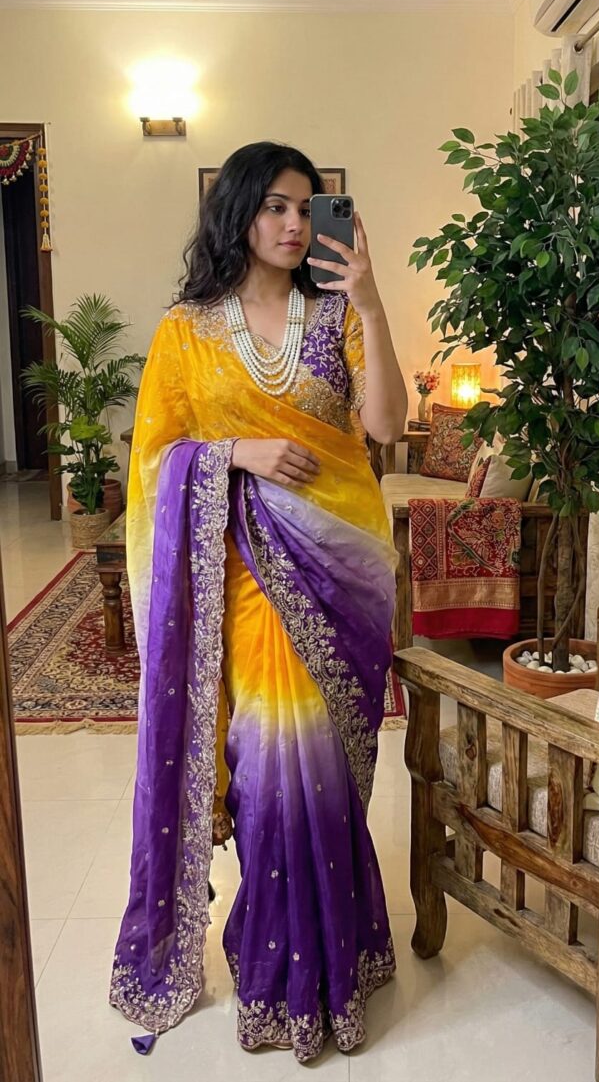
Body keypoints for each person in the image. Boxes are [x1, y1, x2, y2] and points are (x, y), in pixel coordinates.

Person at [110, 141, 407, 1061]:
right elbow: (154, 464)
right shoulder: (186, 331)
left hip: (342, 569)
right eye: (276, 205)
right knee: (273, 763)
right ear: (239, 211)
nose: (292, 223)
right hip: (244, 572)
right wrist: (237, 452)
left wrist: (371, 301)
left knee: (325, 772)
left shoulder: (337, 312)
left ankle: (338, 956)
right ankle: (285, 974)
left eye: (307, 208)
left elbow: (386, 425)